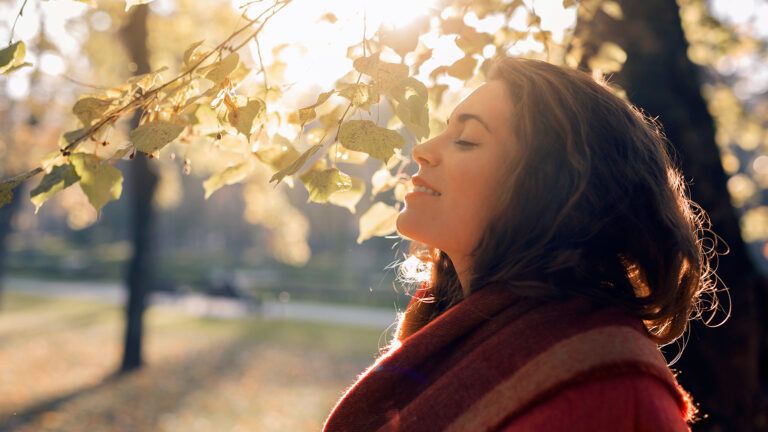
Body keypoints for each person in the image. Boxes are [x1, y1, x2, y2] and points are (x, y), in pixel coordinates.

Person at [322, 57, 723, 431]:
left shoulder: (605, 383)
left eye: (466, 139)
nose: (422, 150)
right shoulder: (441, 335)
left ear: (548, 187)